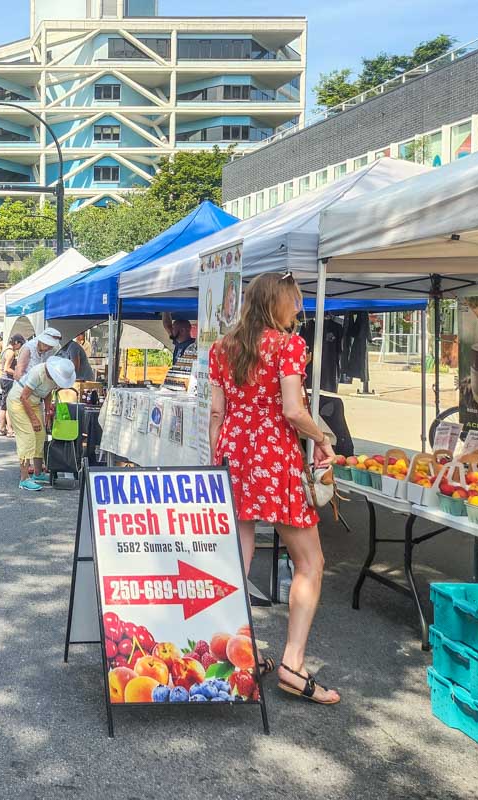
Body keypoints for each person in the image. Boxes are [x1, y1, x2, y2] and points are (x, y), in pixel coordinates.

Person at [209, 272, 340, 706]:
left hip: (232, 456)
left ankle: (231, 652)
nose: (299, 311)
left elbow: (215, 412)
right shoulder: (288, 347)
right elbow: (292, 409)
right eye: (295, 303)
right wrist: (322, 438)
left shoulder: (222, 348)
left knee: (235, 559)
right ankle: (293, 664)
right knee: (310, 562)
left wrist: (218, 461)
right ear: (276, 304)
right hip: (274, 458)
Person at [7, 355, 75, 492]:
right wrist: (33, 419)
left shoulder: (54, 377)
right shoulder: (38, 373)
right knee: (28, 437)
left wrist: (47, 413)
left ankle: (38, 473)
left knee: (40, 435)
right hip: (19, 401)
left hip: (34, 402)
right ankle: (24, 478)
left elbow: (48, 393)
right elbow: (23, 397)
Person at [300, 317, 354, 457]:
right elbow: (293, 411)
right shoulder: (306, 327)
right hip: (311, 378)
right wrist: (322, 439)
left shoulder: (337, 327)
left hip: (328, 375)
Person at [0, 334, 24, 437]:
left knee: (4, 405)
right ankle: (9, 430)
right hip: (8, 380)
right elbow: (7, 368)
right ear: (16, 343)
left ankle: (2, 428)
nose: (20, 347)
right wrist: (18, 374)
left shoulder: (5, 350)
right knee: (9, 405)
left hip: (3, 379)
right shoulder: (11, 352)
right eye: (20, 344)